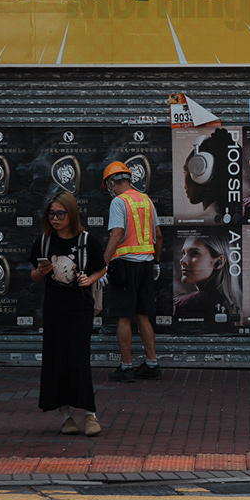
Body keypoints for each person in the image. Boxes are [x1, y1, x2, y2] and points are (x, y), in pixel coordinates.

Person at [30, 189, 106, 437]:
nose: (55, 218)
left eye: (60, 214)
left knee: (78, 360)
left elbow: (102, 268)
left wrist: (89, 279)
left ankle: (90, 415)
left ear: (72, 214)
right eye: (51, 214)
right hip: (54, 307)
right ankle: (66, 417)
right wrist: (41, 271)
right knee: (56, 360)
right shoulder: (44, 240)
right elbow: (33, 276)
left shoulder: (86, 240)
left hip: (79, 307)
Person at [102, 159, 161, 382]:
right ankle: (152, 364)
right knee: (143, 315)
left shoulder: (119, 202)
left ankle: (126, 367)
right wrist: (156, 262)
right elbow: (159, 235)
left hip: (125, 265)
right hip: (146, 265)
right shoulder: (146, 200)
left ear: (111, 183)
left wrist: (104, 264)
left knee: (124, 318)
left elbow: (117, 235)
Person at [174, 232, 237, 323]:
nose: (182, 260)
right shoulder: (233, 304)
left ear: (219, 262)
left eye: (194, 253)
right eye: (184, 253)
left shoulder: (184, 304)